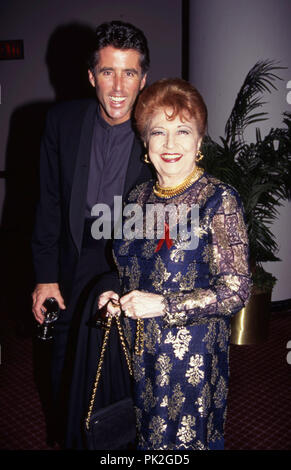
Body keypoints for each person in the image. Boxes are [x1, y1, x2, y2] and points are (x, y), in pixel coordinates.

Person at [98, 78, 251, 450]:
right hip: (141, 353)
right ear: (145, 145)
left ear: (199, 143)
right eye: (158, 132)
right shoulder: (138, 196)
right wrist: (117, 296)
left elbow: (237, 289)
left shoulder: (218, 200)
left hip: (191, 363)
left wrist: (163, 305)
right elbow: (135, 268)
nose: (170, 144)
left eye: (183, 131)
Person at [31, 20, 152, 448]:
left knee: (122, 365)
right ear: (91, 76)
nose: (118, 86)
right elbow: (47, 204)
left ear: (144, 78)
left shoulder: (159, 130)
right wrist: (45, 275)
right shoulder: (61, 121)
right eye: (107, 71)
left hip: (132, 258)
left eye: (130, 72)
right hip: (74, 253)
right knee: (64, 363)